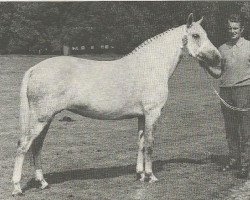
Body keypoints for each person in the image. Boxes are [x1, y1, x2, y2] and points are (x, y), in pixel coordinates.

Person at [200, 13, 250, 179]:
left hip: (244, 91)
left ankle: (246, 165)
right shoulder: (222, 49)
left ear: (242, 29)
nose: (232, 31)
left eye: (235, 28)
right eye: (230, 28)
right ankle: (234, 159)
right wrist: (205, 66)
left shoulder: (249, 46)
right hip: (226, 92)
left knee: (246, 130)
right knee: (230, 130)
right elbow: (218, 73)